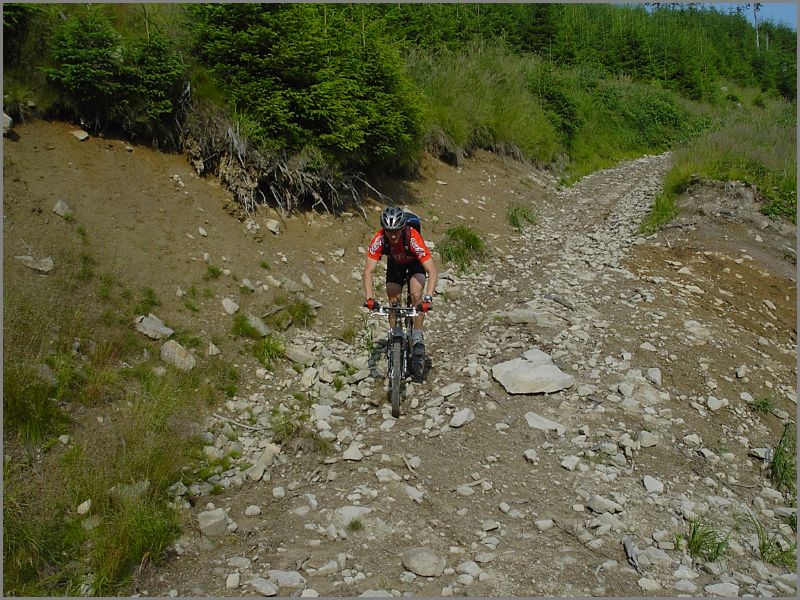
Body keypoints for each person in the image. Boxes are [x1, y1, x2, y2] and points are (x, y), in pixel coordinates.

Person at [363, 205, 438, 360]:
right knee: (393, 298)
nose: (393, 235)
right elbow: (368, 271)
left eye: (396, 230)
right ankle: (395, 335)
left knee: (416, 294)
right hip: (395, 264)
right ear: (384, 229)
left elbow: (432, 270)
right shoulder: (380, 239)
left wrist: (428, 298)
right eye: (389, 231)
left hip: (414, 263)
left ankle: (417, 336)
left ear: (403, 227)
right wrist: (369, 298)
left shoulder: (412, 237)